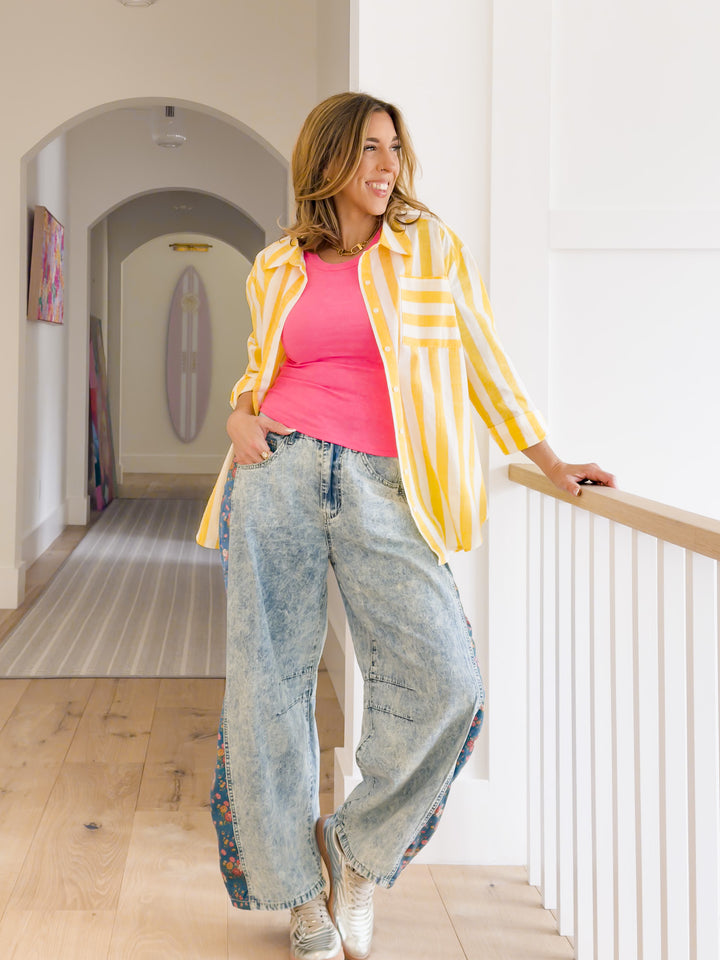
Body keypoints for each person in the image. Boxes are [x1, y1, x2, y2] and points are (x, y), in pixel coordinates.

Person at [196, 91, 615, 960]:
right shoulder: (275, 265)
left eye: (393, 149)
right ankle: (297, 896)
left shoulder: (431, 250)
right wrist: (236, 417)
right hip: (277, 473)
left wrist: (549, 461)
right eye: (367, 150)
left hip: (386, 485)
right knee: (267, 687)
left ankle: (353, 854)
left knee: (449, 683)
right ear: (327, 161)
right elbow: (259, 371)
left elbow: (485, 364)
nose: (387, 166)